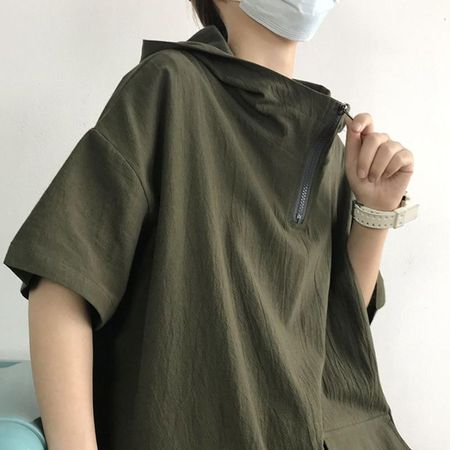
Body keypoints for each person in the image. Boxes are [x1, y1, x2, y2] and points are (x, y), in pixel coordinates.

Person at [3, 0, 416, 449]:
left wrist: (375, 212)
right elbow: (62, 281)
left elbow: (339, 333)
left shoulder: (328, 147)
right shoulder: (170, 88)